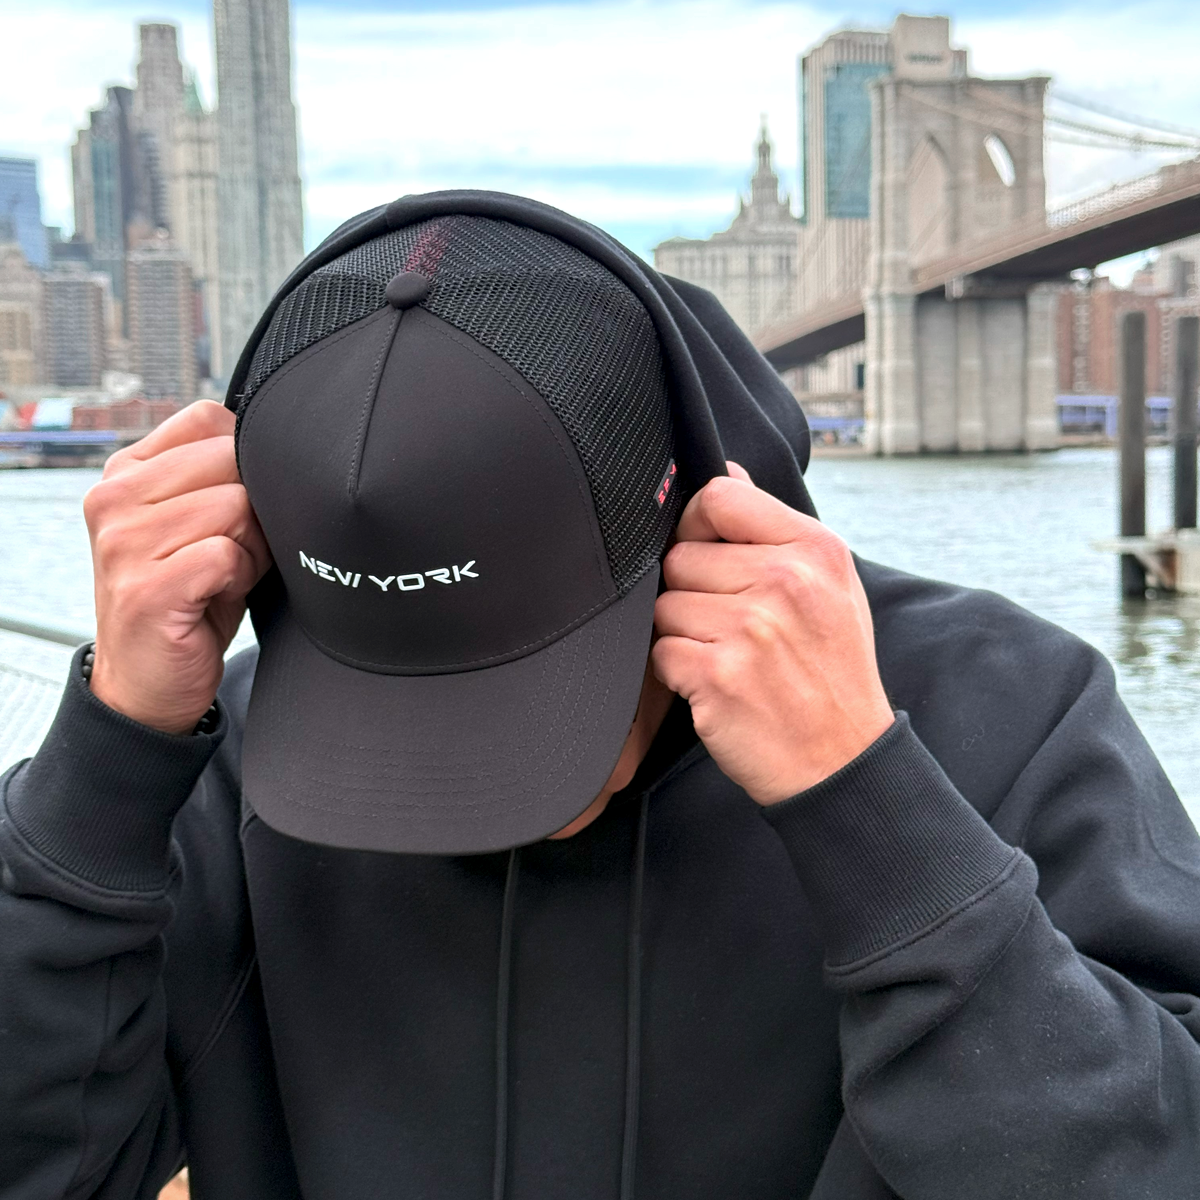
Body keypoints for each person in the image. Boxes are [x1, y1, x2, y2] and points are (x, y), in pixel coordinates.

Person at [3, 193, 1200, 1200]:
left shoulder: (999, 714)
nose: (459, 783)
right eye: (392, 702)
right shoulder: (222, 764)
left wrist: (870, 811)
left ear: (701, 522)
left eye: (526, 688)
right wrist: (109, 752)